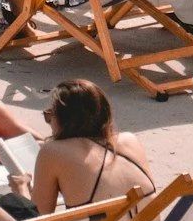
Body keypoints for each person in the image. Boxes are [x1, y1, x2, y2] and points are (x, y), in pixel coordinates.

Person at [28, 78, 153, 212]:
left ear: (65, 119)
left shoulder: (52, 152)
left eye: (50, 115)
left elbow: (38, 220)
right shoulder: (130, 140)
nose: (49, 121)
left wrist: (22, 188)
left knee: (10, 204)